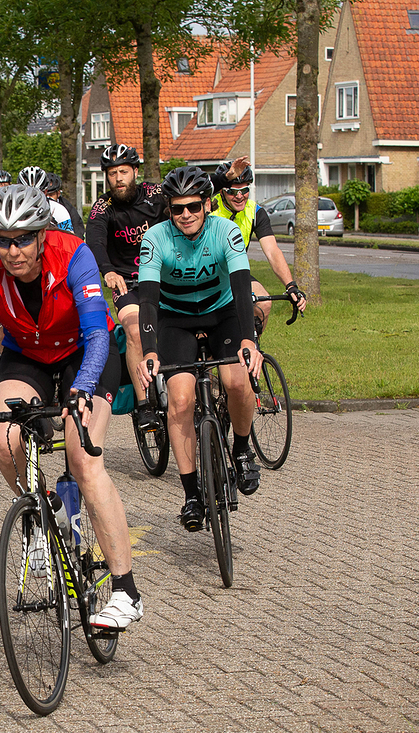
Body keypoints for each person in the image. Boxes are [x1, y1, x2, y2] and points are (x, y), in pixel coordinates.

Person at [0, 185, 143, 630]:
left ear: (42, 234)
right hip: (27, 354)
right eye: (2, 240)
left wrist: (82, 388)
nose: (12, 252)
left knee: (83, 460)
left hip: (84, 354)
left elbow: (97, 333)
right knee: (4, 438)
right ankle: (43, 510)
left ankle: (126, 591)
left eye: (23, 240)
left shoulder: (74, 255)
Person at [134, 166, 264, 530]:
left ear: (207, 204)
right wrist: (149, 350)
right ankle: (191, 493)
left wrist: (248, 339)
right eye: (177, 208)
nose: (186, 214)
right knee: (179, 401)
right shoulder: (155, 238)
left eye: (193, 206)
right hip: (176, 319)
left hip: (222, 312)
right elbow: (148, 300)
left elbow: (241, 285)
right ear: (169, 209)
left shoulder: (225, 231)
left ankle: (241, 450)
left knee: (237, 381)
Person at [83, 144, 168, 418]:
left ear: (135, 172)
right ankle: (144, 406)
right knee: (134, 332)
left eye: (123, 171)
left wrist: (222, 180)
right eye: (112, 173)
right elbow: (95, 241)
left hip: (164, 278)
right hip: (127, 284)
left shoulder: (156, 194)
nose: (118, 178)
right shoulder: (102, 208)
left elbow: (187, 193)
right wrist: (107, 270)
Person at [209, 158, 306, 335]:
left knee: (263, 303)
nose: (239, 196)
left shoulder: (255, 212)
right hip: (206, 273)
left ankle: (252, 345)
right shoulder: (209, 207)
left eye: (244, 190)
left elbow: (272, 251)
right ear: (222, 191)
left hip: (235, 271)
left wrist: (290, 285)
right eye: (232, 192)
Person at [18, 166, 75, 234]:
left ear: (45, 192)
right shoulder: (11, 209)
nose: (32, 198)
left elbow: (69, 237)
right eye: (27, 194)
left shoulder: (57, 209)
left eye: (37, 194)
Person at [44, 172, 84, 239]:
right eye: (46, 195)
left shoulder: (67, 207)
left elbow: (77, 227)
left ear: (58, 193)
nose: (48, 198)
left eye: (51, 195)